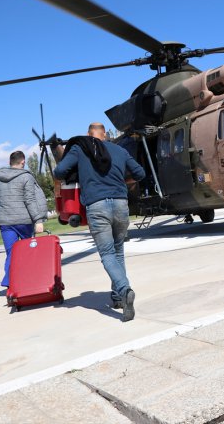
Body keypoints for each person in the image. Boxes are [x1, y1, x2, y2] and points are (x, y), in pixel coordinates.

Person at [54, 122, 145, 322]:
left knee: (107, 254)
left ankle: (124, 289)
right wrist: (122, 181)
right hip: (121, 205)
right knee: (118, 251)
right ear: (104, 135)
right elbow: (140, 173)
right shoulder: (119, 150)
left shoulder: (80, 148)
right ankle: (118, 297)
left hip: (97, 206)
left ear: (89, 135)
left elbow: (59, 172)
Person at [0, 150, 48, 288]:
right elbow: (30, 200)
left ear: (10, 163)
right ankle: (28, 280)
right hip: (24, 221)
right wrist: (38, 220)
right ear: (23, 162)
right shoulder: (26, 177)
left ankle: (10, 282)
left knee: (11, 253)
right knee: (28, 251)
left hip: (5, 223)